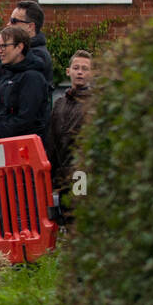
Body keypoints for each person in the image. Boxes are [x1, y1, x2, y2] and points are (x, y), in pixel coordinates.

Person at [45, 50, 93, 206]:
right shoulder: (59, 104)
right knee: (63, 217)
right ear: (68, 71)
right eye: (76, 67)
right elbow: (51, 140)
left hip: (82, 173)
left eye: (85, 69)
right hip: (60, 172)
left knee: (78, 214)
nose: (80, 72)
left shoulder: (94, 104)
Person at [0, 0, 53, 85]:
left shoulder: (38, 56)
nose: (8, 24)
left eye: (13, 21)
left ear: (30, 26)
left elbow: (1, 76)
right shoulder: (21, 49)